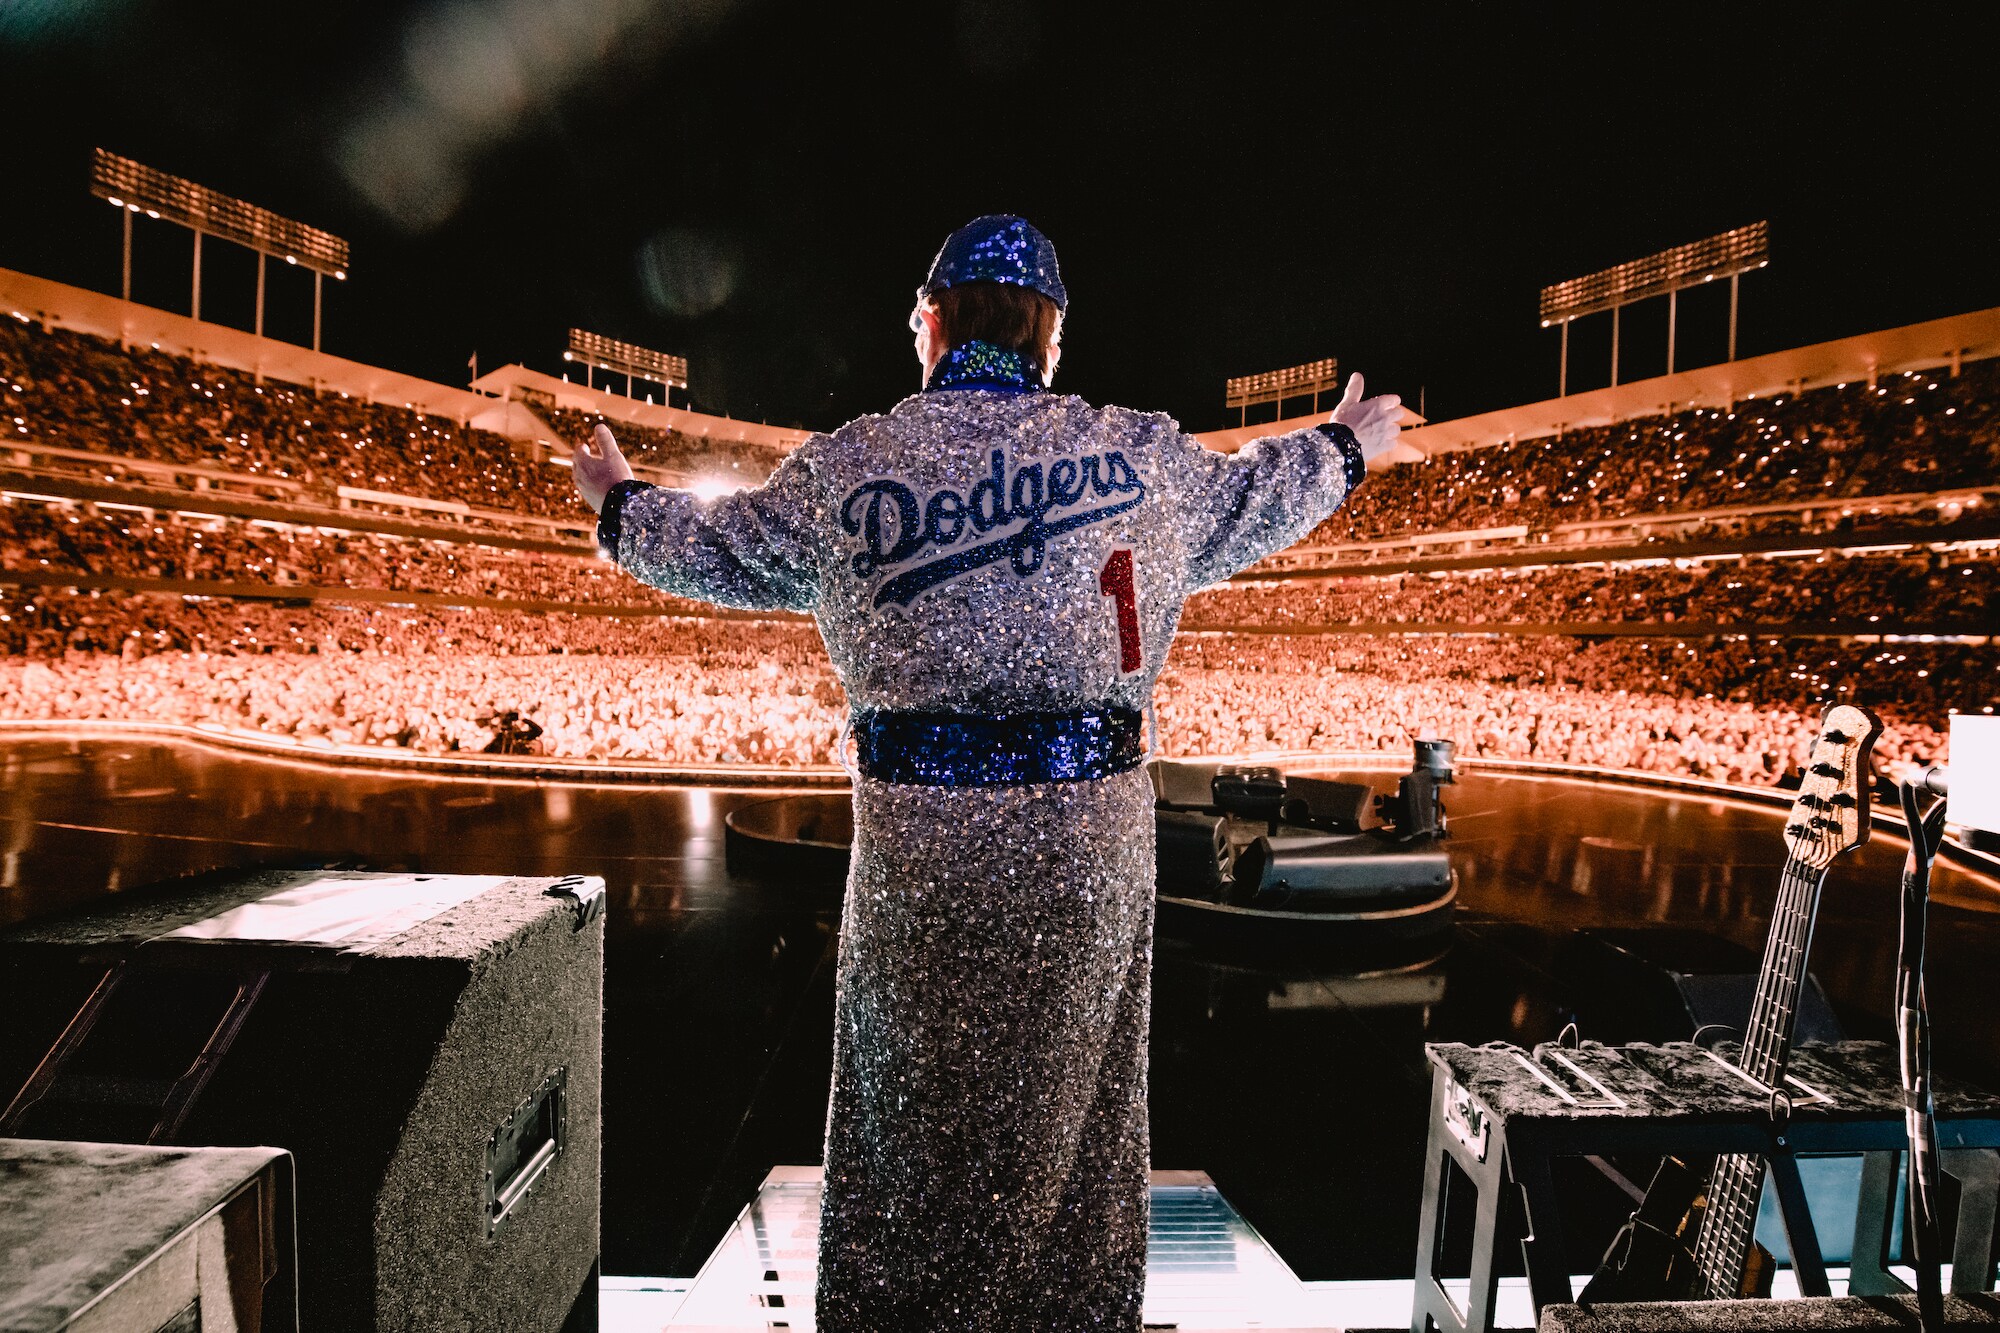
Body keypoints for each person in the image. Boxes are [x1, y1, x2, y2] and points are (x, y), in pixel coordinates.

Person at [571, 215, 1403, 1331]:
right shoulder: (1142, 456)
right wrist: (1342, 446)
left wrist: (620, 504)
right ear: (1050, 338)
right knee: (1080, 1111)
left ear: (928, 323)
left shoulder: (852, 464)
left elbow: (718, 546)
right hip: (1089, 841)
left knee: (905, 1108)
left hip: (918, 845)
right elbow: (1260, 492)